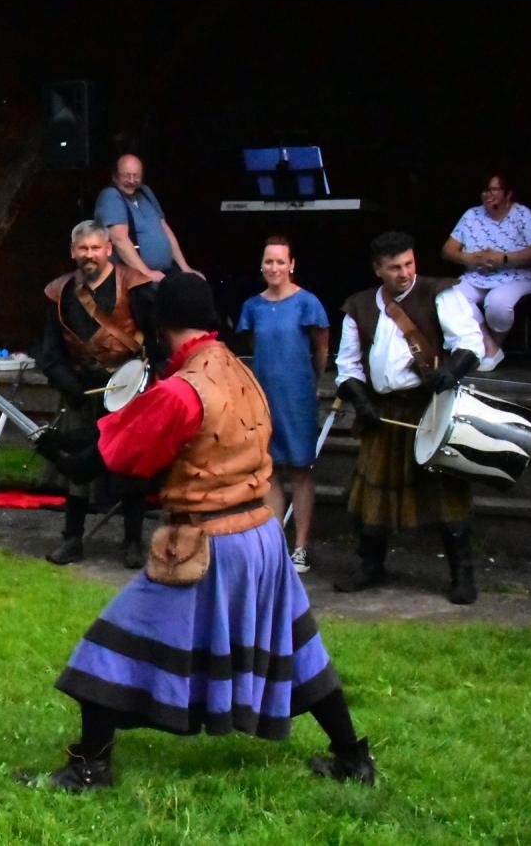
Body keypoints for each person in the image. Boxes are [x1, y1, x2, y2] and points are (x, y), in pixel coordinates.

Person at [26, 272, 374, 792]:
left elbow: (114, 461)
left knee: (111, 644)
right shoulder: (236, 368)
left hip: (210, 544)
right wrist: (73, 446)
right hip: (262, 536)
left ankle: (90, 768)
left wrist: (61, 456)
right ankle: (352, 757)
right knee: (297, 648)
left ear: (160, 322)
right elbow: (129, 437)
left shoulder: (183, 391)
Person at [335, 231, 484, 604]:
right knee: (372, 491)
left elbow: (470, 343)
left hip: (431, 408)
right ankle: (371, 566)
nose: (404, 273)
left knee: (446, 493)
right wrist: (362, 402)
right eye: (394, 267)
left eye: (409, 264)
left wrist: (450, 373)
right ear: (378, 269)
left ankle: (462, 575)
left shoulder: (440, 293)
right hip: (383, 412)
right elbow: (347, 366)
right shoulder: (358, 306)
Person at [38, 220, 159, 567]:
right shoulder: (60, 292)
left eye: (95, 248)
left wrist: (143, 382)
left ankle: (133, 542)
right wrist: (71, 387)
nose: (89, 255)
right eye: (83, 248)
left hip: (128, 393)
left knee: (130, 467)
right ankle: (72, 539)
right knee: (76, 468)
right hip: (81, 392)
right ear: (73, 251)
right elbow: (50, 351)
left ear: (108, 249)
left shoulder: (135, 286)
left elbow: (155, 339)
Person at [236, 236, 329, 573]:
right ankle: (274, 546)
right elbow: (254, 347)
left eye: (280, 261)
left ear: (291, 265)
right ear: (261, 265)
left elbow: (321, 349)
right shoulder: (252, 307)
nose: (274, 267)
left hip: (298, 396)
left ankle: (301, 546)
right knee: (270, 470)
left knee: (301, 469)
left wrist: (312, 382)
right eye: (268, 261)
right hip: (264, 397)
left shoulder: (307, 303)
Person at [441, 173, 531, 371]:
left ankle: (488, 348)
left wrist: (504, 258)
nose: (488, 195)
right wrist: (469, 258)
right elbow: (447, 250)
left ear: (508, 194)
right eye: (485, 191)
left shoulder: (522, 214)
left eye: (494, 190)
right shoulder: (472, 215)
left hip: (517, 276)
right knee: (447, 297)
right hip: (477, 276)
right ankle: (490, 347)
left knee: (497, 302)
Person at [94, 153, 202, 279]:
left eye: (136, 176)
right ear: (115, 176)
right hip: (135, 277)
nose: (132, 181)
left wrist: (185, 267)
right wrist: (146, 273)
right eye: (126, 176)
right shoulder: (110, 196)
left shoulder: (145, 192)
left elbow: (165, 229)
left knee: (197, 283)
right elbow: (119, 240)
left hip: (163, 272)